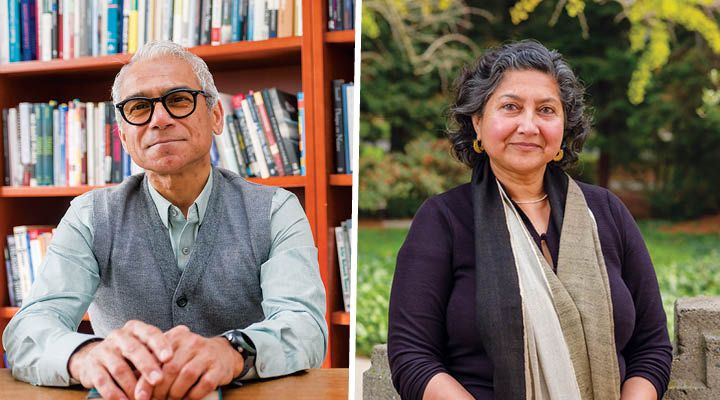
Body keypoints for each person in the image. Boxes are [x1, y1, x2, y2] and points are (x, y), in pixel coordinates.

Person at [2, 41, 327, 400]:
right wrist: (86, 357)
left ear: (216, 116)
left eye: (178, 100)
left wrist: (234, 351)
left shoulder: (276, 210)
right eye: (139, 107)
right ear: (124, 135)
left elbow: (305, 326)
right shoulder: (90, 216)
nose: (159, 119)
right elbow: (28, 331)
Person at [387, 40, 672, 400]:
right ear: (477, 121)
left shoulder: (606, 212)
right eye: (510, 107)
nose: (528, 125)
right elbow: (413, 358)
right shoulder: (444, 220)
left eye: (546, 110)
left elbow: (652, 347)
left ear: (564, 127)